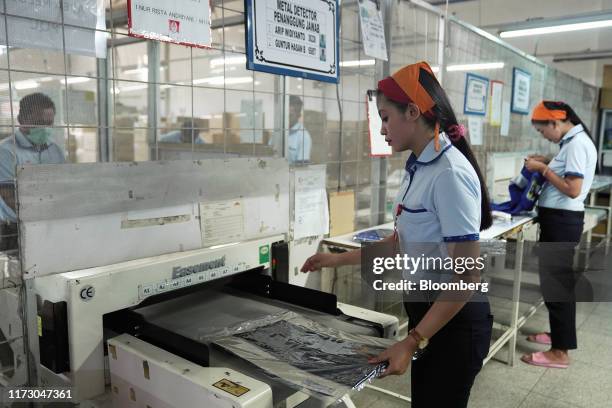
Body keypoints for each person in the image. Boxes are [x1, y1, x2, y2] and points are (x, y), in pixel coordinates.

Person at [302, 61, 493, 407]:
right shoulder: (418, 166)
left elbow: (466, 276)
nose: (382, 127)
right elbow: (397, 244)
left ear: (413, 111)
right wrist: (335, 259)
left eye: (386, 117)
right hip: (429, 317)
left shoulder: (449, 173)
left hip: (454, 324)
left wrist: (413, 340)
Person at [522, 100, 597, 369]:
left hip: (562, 222)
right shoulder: (571, 142)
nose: (544, 136)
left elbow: (572, 188)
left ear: (555, 123)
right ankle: (559, 336)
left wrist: (543, 170)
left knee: (557, 286)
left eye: (543, 131)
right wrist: (548, 162)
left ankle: (560, 352)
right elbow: (567, 174)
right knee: (555, 284)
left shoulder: (576, 144)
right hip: (559, 221)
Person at [0, 93, 65, 223]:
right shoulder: (7, 151)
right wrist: (40, 215)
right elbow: (8, 195)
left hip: (51, 221)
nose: (45, 128)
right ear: (21, 119)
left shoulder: (55, 150)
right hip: (16, 226)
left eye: (49, 123)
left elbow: (63, 186)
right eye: (39, 123)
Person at [287, 95, 311, 164]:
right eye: (285, 114)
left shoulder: (304, 136)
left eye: (290, 115)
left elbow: (301, 169)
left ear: (298, 115)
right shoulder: (278, 131)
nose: (286, 118)